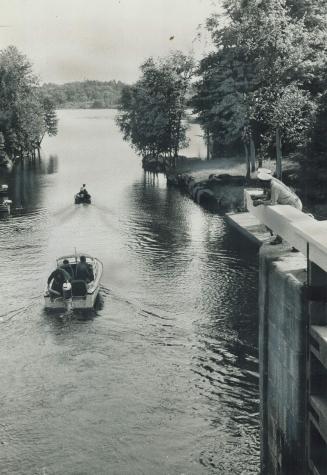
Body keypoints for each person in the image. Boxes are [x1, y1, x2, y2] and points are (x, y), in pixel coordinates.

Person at [252, 169, 302, 245]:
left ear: (265, 181)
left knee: (291, 224)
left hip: (294, 205)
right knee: (281, 221)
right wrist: (258, 198)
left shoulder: (274, 186)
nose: (260, 184)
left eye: (261, 182)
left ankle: (296, 245)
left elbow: (272, 202)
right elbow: (268, 198)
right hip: (287, 205)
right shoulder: (270, 185)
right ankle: (279, 239)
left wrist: (259, 202)